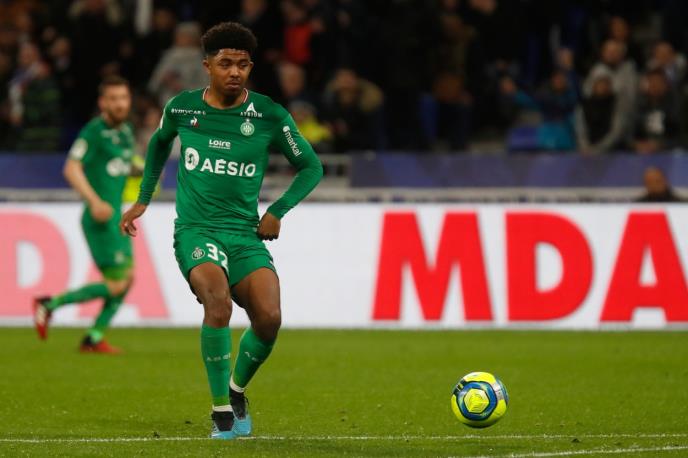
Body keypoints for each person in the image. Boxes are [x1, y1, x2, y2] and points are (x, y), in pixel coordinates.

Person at [120, 22, 322, 439]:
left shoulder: (268, 114)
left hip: (245, 234)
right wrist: (143, 197)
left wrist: (277, 210)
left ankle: (236, 391)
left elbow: (311, 167)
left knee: (269, 319)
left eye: (242, 65)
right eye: (226, 63)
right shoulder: (182, 109)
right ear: (207, 65)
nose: (234, 72)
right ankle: (221, 414)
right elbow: (159, 143)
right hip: (196, 230)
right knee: (218, 303)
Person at [32, 75, 136, 353]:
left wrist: (140, 169)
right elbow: (71, 168)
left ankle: (93, 337)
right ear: (103, 103)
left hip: (118, 218)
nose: (119, 104)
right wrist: (94, 201)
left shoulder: (126, 132)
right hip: (100, 218)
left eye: (123, 98)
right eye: (113, 99)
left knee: (128, 279)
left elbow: (120, 164)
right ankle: (49, 304)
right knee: (117, 284)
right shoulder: (94, 131)